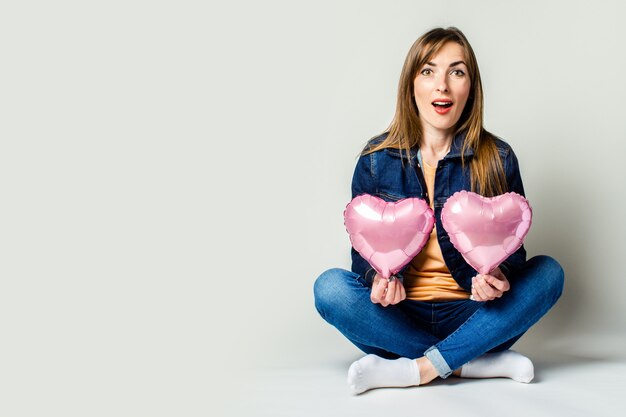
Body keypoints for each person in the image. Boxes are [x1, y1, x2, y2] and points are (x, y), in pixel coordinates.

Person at [313, 26, 564, 395]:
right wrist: (378, 283)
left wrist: (498, 277)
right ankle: (470, 364)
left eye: (456, 72)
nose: (442, 85)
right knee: (329, 288)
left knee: (549, 273)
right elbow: (362, 257)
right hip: (398, 319)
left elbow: (514, 249)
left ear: (470, 87)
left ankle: (417, 368)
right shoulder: (374, 160)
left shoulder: (498, 158)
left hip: (476, 315)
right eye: (428, 71)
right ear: (411, 84)